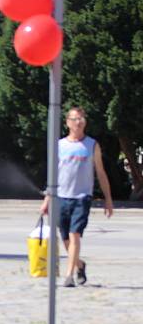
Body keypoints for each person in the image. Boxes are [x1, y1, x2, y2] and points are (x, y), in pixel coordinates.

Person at [40, 107, 113, 287]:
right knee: (65, 238)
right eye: (74, 119)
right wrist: (47, 200)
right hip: (61, 197)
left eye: (81, 119)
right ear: (68, 122)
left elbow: (101, 173)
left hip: (82, 197)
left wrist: (108, 199)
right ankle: (79, 264)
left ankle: (69, 275)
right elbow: (53, 175)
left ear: (85, 122)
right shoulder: (60, 145)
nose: (78, 122)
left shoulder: (92, 145)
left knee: (75, 235)